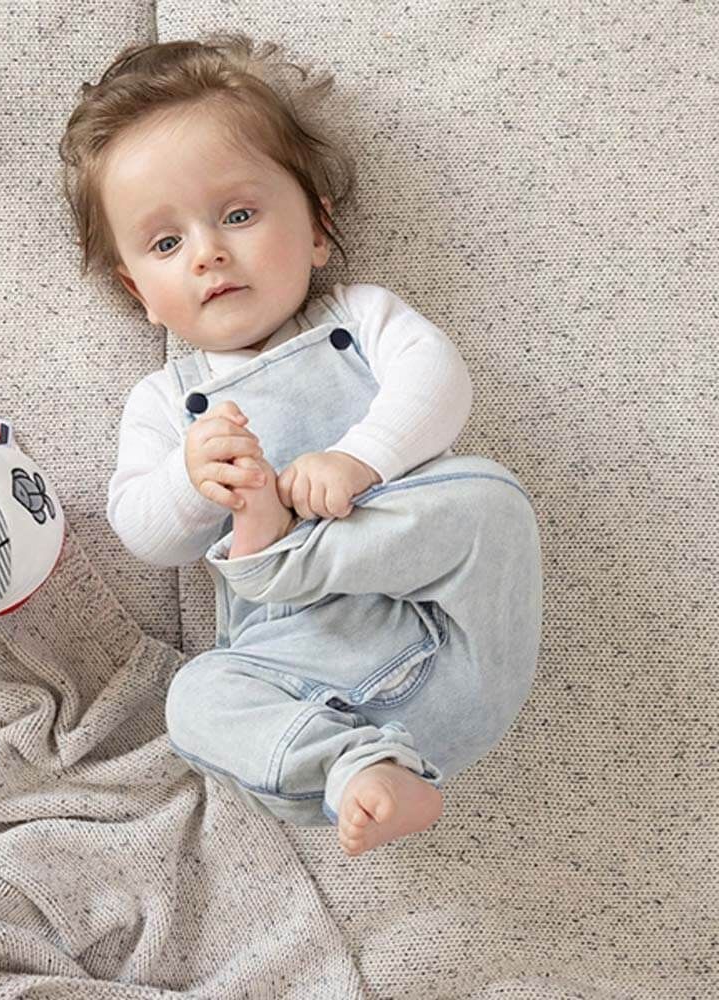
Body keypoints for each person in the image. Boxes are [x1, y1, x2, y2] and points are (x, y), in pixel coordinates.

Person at [58, 33, 543, 857]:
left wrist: (359, 460)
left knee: (489, 498)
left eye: (238, 215)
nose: (209, 253)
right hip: (314, 685)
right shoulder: (166, 403)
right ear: (140, 293)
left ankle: (274, 554)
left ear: (318, 227)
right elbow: (142, 530)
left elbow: (438, 383)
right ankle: (359, 772)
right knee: (193, 698)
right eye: (167, 244)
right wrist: (190, 480)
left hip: (452, 635)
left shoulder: (362, 318)